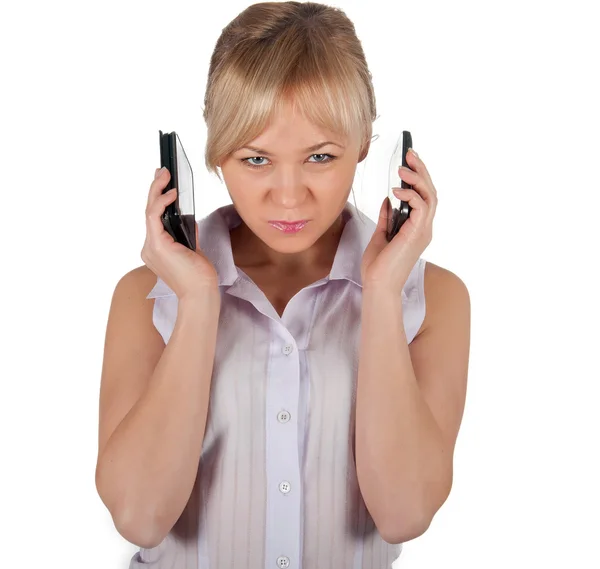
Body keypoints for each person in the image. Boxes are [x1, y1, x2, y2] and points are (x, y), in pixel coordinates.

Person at [95, 2, 471, 568]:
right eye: (256, 159)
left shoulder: (429, 296)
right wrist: (198, 301)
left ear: (366, 146)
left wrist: (384, 294)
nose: (290, 196)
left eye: (320, 156)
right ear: (217, 155)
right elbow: (139, 517)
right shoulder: (146, 297)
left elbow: (404, 514)